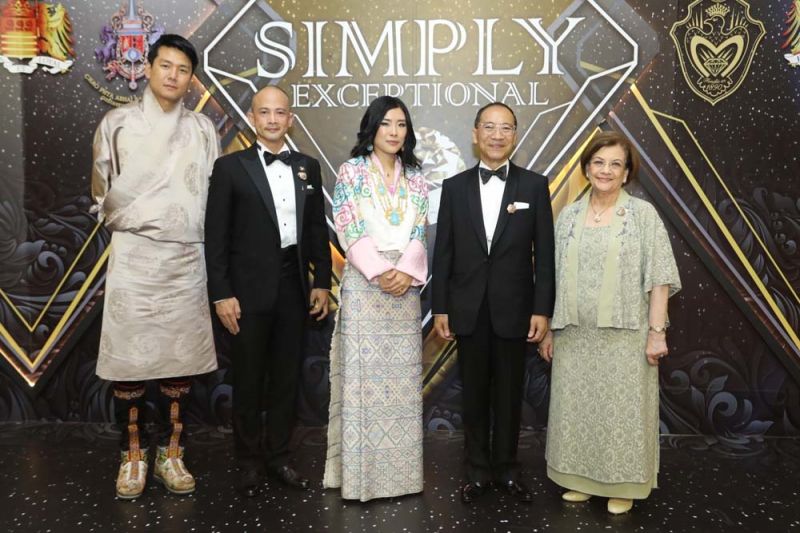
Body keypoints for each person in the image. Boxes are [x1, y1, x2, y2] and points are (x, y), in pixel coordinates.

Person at [91, 34, 220, 499]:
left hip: (186, 258)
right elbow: (102, 195)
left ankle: (171, 452)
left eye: (183, 69)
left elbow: (213, 194)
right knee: (130, 362)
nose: (173, 75)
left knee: (179, 362)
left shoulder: (203, 129)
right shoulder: (117, 124)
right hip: (134, 257)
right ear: (147, 68)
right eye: (165, 65)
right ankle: (132, 454)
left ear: (191, 78)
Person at [539, 131, 681, 515]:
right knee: (578, 411)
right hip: (574, 335)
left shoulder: (642, 215)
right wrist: (550, 329)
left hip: (626, 337)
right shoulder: (568, 216)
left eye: (615, 164)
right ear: (586, 168)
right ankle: (581, 480)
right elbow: (552, 277)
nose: (606, 170)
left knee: (621, 415)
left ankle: (623, 484)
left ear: (627, 172)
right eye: (599, 162)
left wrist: (656, 333)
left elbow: (660, 277)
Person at [204, 85, 332, 498]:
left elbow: (317, 230)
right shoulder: (230, 168)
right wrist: (221, 294)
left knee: (286, 379)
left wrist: (322, 281)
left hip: (293, 287)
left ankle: (279, 457)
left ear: (290, 119)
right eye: (265, 112)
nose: (273, 119)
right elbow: (215, 238)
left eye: (280, 113)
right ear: (252, 118)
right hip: (246, 292)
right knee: (248, 379)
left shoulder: (308, 167)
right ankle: (247, 461)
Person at [432, 102, 555, 504]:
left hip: (515, 309)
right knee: (473, 396)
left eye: (506, 128)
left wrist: (542, 310)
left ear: (515, 135)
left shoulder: (534, 186)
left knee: (508, 395)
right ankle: (476, 471)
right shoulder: (454, 188)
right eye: (489, 127)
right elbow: (443, 253)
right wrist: (441, 307)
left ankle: (508, 469)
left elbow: (545, 255)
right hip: (467, 309)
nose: (497, 135)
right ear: (475, 134)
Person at [322, 96, 429, 501]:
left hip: (405, 288)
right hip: (366, 285)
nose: (394, 132)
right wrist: (380, 270)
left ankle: (402, 478)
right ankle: (360, 479)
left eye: (401, 124)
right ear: (372, 128)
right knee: (364, 384)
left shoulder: (416, 177)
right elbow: (346, 225)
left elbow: (420, 230)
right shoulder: (351, 172)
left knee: (401, 386)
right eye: (386, 123)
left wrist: (405, 271)